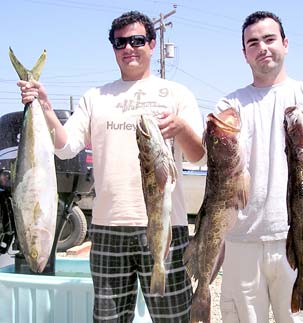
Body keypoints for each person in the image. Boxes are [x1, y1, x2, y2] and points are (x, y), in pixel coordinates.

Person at [17, 10, 205, 323]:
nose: (129, 48)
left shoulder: (177, 94)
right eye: (120, 43)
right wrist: (44, 106)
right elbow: (65, 148)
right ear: (114, 48)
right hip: (107, 229)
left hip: (165, 227)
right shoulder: (95, 97)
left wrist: (181, 128)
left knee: (175, 318)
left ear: (152, 44)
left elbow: (198, 154)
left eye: (137, 40)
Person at [216, 11, 303, 323]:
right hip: (241, 240)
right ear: (244, 53)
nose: (262, 47)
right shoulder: (230, 105)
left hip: (298, 235)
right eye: (253, 42)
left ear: (285, 44)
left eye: (269, 39)